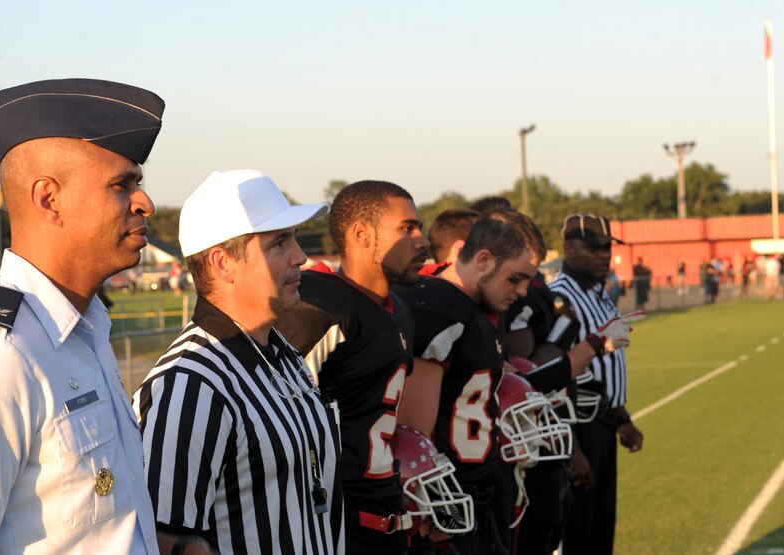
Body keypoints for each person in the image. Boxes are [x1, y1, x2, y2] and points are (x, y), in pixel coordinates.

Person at [0, 78, 166, 554]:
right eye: (123, 184)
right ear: (48, 198)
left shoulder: (83, 329)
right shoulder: (0, 351)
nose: (145, 203)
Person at [134, 170, 342, 554]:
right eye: (279, 243)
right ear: (223, 263)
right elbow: (162, 538)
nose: (301, 257)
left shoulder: (284, 355)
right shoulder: (190, 382)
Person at [278, 181, 430, 554]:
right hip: (335, 524)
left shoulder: (398, 309)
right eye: (407, 228)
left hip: (386, 512)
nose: (422, 240)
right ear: (362, 233)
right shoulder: (320, 308)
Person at [397, 209, 547, 555]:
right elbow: (414, 436)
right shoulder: (438, 308)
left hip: (478, 494)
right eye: (515, 279)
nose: (524, 292)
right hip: (448, 507)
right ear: (483, 259)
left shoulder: (477, 309)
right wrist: (433, 511)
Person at [548, 214, 643, 555]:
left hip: (602, 423)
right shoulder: (559, 297)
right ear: (569, 249)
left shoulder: (599, 293)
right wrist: (571, 448)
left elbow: (604, 366)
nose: (604, 255)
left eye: (608, 248)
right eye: (595, 248)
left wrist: (622, 418)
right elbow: (553, 378)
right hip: (577, 427)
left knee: (601, 529)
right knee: (577, 534)